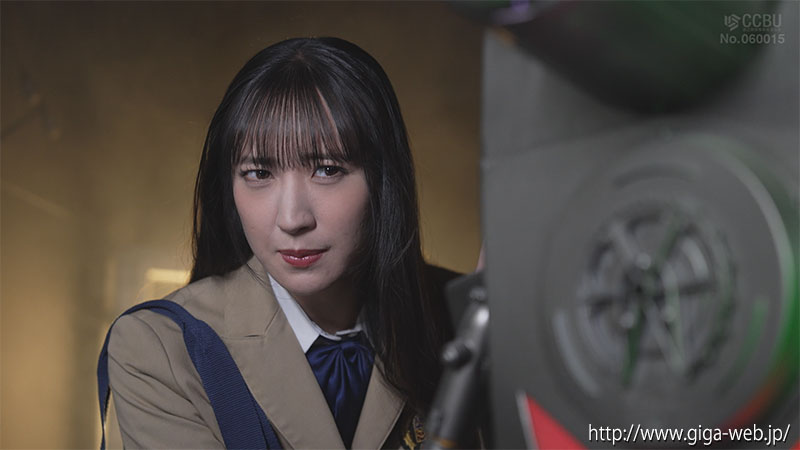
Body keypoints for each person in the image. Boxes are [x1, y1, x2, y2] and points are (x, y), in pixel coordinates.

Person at [105, 37, 458, 449]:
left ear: (384, 179)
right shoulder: (161, 347)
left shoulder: (466, 318)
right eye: (259, 173)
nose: (292, 219)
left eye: (327, 169)